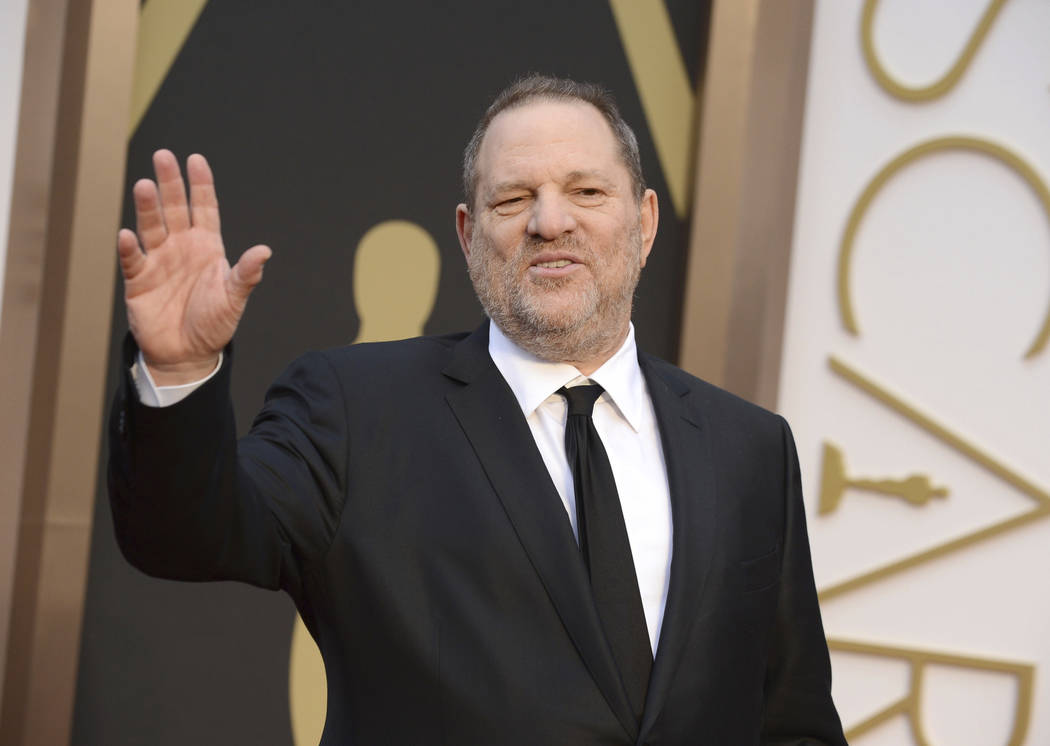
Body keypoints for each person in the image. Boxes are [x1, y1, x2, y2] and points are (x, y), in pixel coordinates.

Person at [109, 75, 847, 745]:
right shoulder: (355, 410)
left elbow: (793, 722)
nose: (549, 221)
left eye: (587, 192)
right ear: (468, 235)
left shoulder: (748, 447)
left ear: (645, 221)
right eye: (512, 199)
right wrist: (178, 371)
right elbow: (184, 534)